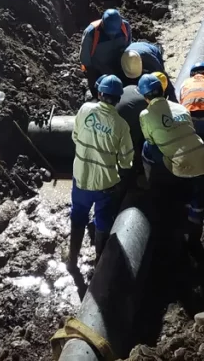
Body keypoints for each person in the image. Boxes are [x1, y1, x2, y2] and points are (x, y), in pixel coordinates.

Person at [68, 74, 134, 272]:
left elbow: (75, 136)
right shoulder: (121, 125)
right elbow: (126, 161)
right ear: (118, 99)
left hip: (81, 177)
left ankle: (72, 260)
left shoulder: (84, 110)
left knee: (78, 215)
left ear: (99, 93)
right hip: (106, 184)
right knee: (103, 219)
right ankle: (99, 260)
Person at [137, 73, 204, 247]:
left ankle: (154, 184)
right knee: (198, 192)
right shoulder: (181, 107)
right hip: (202, 156)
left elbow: (152, 142)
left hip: (179, 165)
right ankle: (196, 230)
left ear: (145, 96)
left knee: (148, 147)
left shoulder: (145, 114)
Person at [80, 8, 132, 96]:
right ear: (103, 24)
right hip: (98, 71)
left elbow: (128, 47)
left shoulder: (125, 27)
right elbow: (85, 58)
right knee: (98, 95)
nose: (112, 35)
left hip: (118, 67)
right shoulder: (91, 32)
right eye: (110, 32)